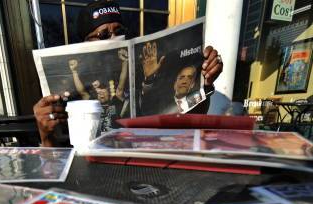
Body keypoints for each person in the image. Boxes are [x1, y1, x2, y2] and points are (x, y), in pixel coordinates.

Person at [33, 0, 223, 147]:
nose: (114, 38)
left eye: (119, 31)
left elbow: (187, 119)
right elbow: (55, 162)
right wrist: (45, 134)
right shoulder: (69, 88)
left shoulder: (144, 70)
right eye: (103, 35)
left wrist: (203, 84)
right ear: (84, 42)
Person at [68, 48, 130, 132]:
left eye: (103, 90)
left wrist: (125, 61)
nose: (101, 93)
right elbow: (82, 92)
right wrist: (74, 71)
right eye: (98, 91)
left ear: (108, 91)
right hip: (97, 142)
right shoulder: (93, 104)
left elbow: (121, 86)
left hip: (114, 141)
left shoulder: (115, 101)